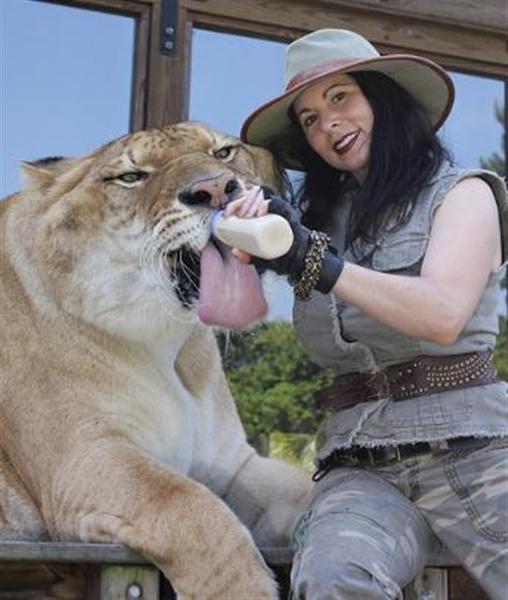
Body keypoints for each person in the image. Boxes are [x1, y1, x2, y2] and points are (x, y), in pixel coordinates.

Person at [224, 29, 508, 599]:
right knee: (332, 579)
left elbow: (444, 314)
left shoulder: (463, 194)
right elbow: (235, 315)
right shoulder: (317, 225)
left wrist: (312, 259)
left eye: (340, 98)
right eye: (307, 118)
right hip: (362, 469)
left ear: (383, 98)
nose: (326, 123)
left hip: (476, 449)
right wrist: (247, 247)